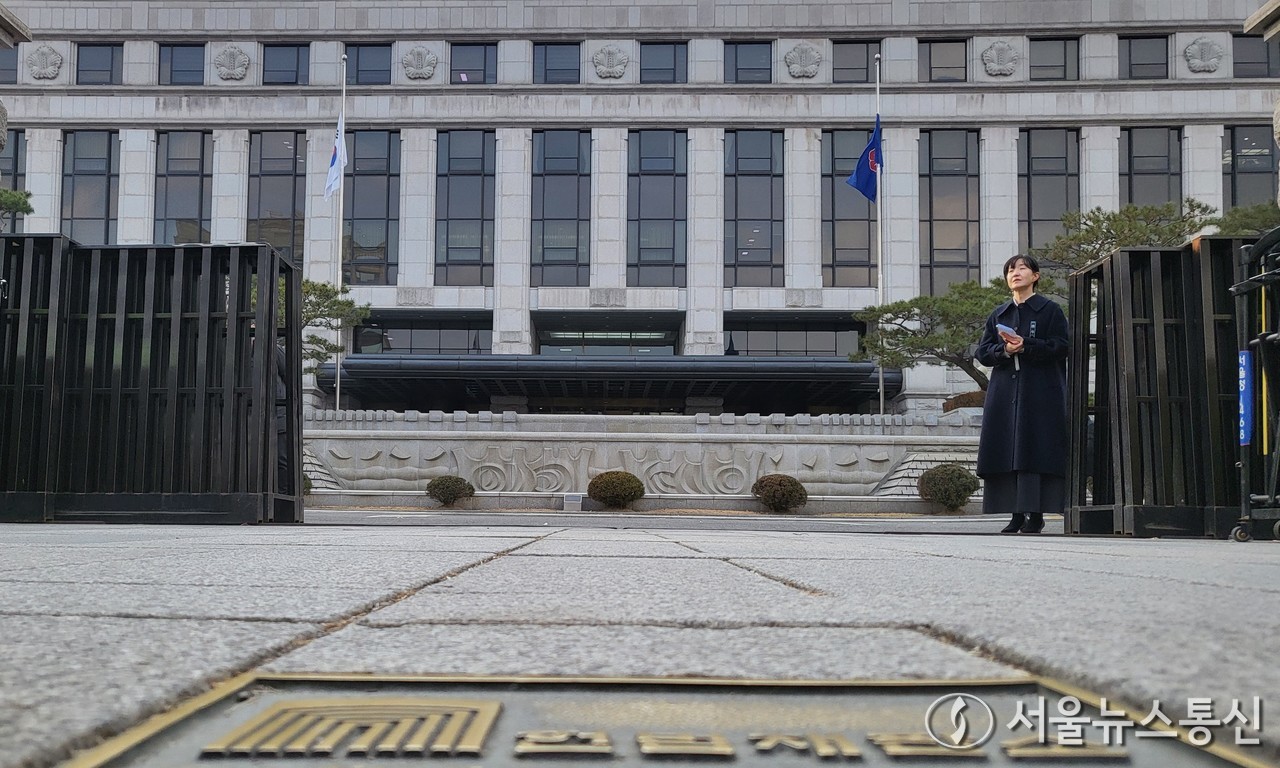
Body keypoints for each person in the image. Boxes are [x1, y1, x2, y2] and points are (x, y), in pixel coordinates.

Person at [975, 255, 1069, 534]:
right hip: (1005, 392)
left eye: (1022, 268)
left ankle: (1036, 514)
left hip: (1040, 393)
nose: (1015, 273)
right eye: (1010, 270)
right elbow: (982, 352)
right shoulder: (999, 314)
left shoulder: (1050, 310)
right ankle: (1015, 514)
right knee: (1007, 448)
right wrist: (1004, 350)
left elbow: (1061, 346)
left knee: (1034, 449)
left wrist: (1026, 345)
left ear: (1035, 276)